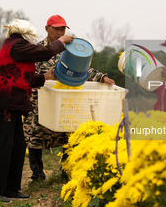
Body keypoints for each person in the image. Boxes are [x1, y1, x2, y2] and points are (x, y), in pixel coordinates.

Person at [0, 19, 74, 202]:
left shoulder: (16, 48)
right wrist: (62, 42)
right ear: (24, 34)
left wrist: (45, 77)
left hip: (12, 104)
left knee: (18, 146)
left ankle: (11, 189)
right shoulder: (16, 45)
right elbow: (44, 52)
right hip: (4, 102)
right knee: (5, 146)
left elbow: (25, 79)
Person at [23, 15, 115, 181]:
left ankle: (66, 172)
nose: (60, 32)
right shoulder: (37, 49)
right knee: (35, 135)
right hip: (39, 100)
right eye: (56, 28)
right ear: (46, 28)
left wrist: (101, 77)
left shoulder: (70, 49)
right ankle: (37, 176)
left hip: (64, 101)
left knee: (68, 134)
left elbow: (83, 69)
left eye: (62, 29)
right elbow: (28, 75)